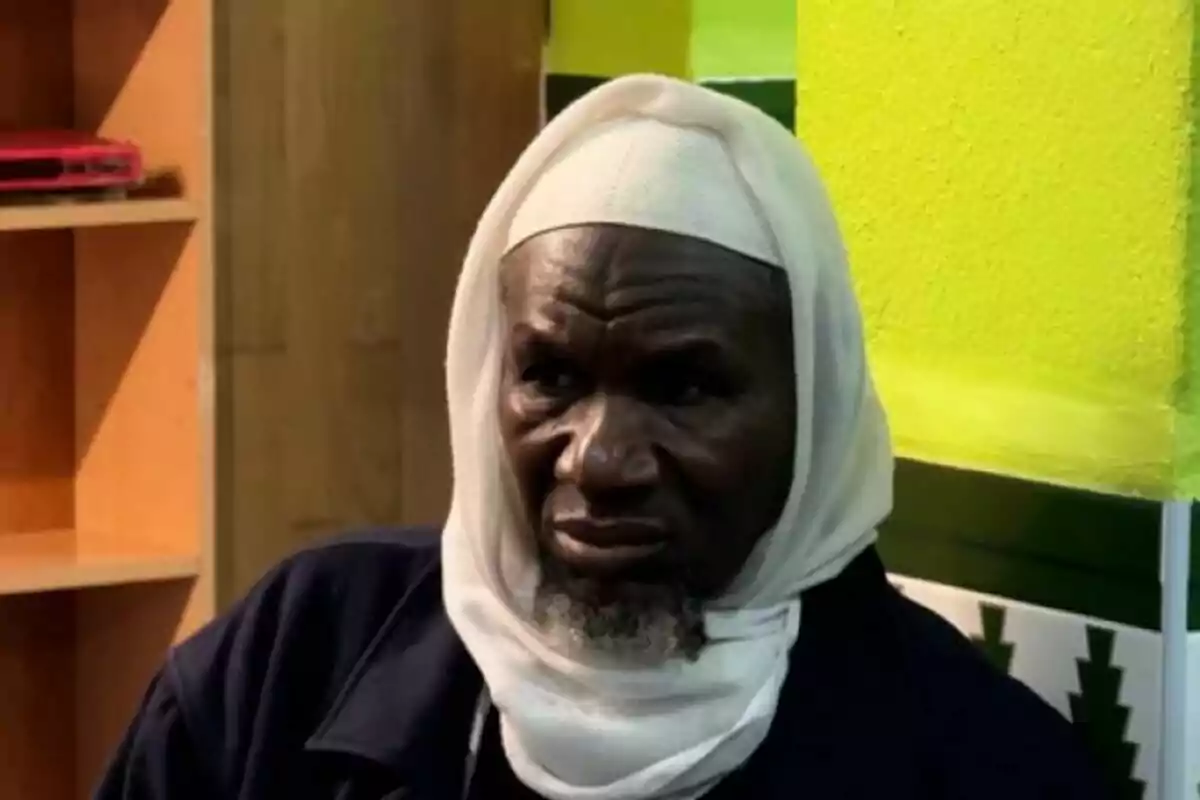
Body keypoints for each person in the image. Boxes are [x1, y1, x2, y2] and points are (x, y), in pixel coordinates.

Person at [94, 74, 1107, 800]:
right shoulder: (289, 665)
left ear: (814, 414)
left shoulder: (983, 764)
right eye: (550, 377)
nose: (600, 459)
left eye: (686, 386)